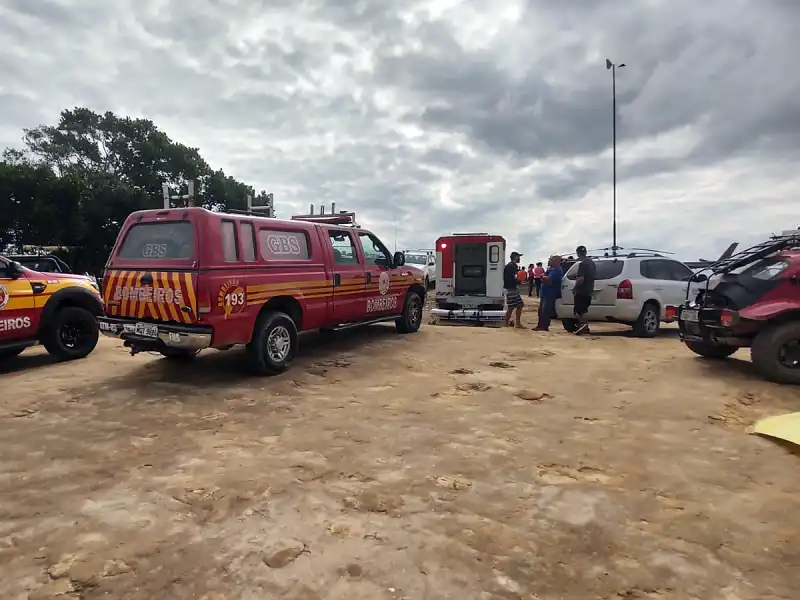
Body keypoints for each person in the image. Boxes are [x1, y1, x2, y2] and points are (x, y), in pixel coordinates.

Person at [534, 255, 563, 331]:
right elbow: (544, 277)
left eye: (551, 260)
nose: (550, 261)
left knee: (545, 311)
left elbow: (548, 280)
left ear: (556, 261)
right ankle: (540, 325)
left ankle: (544, 326)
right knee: (541, 310)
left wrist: (543, 277)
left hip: (550, 294)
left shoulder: (557, 270)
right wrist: (543, 277)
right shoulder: (551, 269)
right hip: (545, 293)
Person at [572, 245, 596, 335]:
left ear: (578, 253)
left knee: (578, 310)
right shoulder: (592, 263)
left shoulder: (582, 264)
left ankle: (583, 325)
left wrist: (575, 288)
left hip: (581, 290)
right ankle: (584, 327)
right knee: (584, 309)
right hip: (589, 289)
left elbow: (581, 278)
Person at [503, 251, 525, 328]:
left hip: (511, 288)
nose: (519, 258)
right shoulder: (511, 266)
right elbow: (509, 278)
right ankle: (513, 324)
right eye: (518, 257)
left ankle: (512, 323)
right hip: (511, 288)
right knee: (515, 306)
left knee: (516, 306)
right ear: (515, 257)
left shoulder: (512, 266)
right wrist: (518, 281)